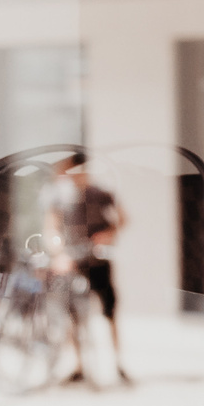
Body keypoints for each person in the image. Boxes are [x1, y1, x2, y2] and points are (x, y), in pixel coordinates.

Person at [47, 151, 128, 385]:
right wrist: (59, 253)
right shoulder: (59, 197)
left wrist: (108, 235)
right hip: (72, 262)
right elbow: (51, 227)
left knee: (109, 311)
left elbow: (122, 219)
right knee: (71, 315)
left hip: (98, 260)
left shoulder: (101, 194)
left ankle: (117, 364)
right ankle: (78, 366)